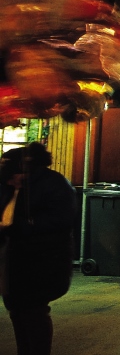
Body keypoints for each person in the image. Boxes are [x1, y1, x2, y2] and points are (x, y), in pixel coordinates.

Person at [0, 142, 75, 355]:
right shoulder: (10, 185)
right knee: (16, 308)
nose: (12, 180)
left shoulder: (54, 184)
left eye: (14, 175)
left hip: (43, 259)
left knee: (34, 310)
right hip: (13, 258)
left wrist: (24, 226)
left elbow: (62, 219)